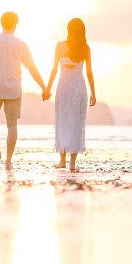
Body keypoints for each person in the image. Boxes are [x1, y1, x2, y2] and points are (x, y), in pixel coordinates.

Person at [0, 11, 48, 169]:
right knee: (12, 125)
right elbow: (32, 68)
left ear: (1, 23)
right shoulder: (21, 44)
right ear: (15, 24)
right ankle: (9, 162)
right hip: (14, 90)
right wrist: (43, 87)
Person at [44, 18, 97, 172]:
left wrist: (47, 89)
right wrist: (93, 93)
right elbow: (89, 73)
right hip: (79, 88)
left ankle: (62, 161)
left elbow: (54, 70)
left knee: (62, 121)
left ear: (69, 30)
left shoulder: (60, 46)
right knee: (76, 124)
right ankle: (72, 163)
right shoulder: (85, 48)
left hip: (63, 88)